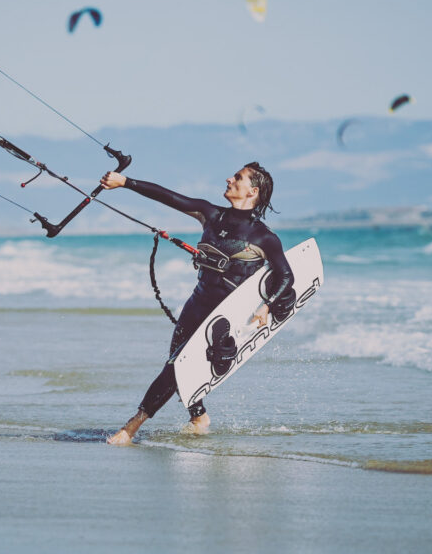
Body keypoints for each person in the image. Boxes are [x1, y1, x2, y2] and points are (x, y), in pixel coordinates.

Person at [100, 162, 296, 446]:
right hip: (197, 302)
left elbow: (285, 276)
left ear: (252, 191)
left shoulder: (264, 237)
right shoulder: (211, 215)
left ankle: (130, 428)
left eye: (238, 177)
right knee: (178, 364)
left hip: (224, 316)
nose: (229, 178)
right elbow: (168, 197)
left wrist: (267, 306)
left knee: (176, 365)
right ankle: (198, 417)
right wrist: (125, 182)